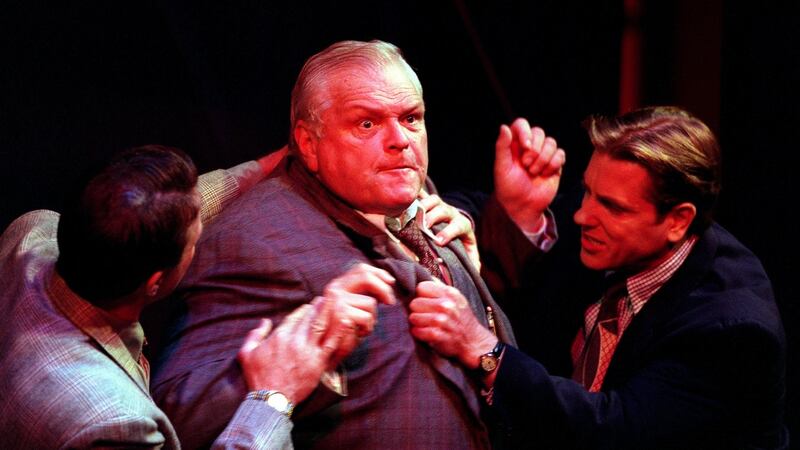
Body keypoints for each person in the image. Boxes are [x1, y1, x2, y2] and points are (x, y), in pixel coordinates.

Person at [149, 40, 564, 449]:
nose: (400, 139)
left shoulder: (415, 197)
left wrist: (514, 216)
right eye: (367, 124)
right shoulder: (255, 240)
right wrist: (292, 361)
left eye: (411, 118)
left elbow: (454, 320)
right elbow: (178, 415)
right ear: (309, 144)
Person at [413, 106, 789, 449]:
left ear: (678, 220)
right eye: (588, 191)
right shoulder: (607, 215)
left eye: (610, 206)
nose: (583, 215)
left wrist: (486, 352)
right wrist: (515, 209)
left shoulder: (732, 330)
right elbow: (472, 207)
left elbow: (614, 431)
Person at [0, 145, 394, 449]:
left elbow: (166, 207)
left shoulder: (31, 234)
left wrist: (270, 163)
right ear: (155, 282)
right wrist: (274, 397)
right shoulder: (113, 422)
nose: (202, 229)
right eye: (194, 239)